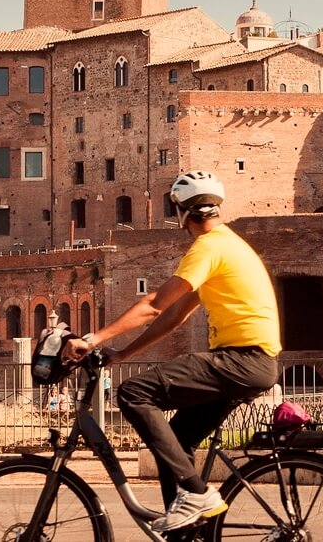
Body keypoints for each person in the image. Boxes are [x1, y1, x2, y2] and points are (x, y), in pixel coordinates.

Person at [64, 171, 281, 533]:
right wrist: (122, 354)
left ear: (181, 212)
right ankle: (184, 532)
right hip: (251, 363)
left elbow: (154, 305)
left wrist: (94, 339)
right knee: (175, 444)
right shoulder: (228, 244)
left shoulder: (208, 247)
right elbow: (175, 316)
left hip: (242, 360)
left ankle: (197, 493)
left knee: (133, 393)